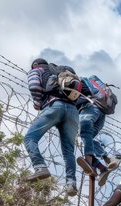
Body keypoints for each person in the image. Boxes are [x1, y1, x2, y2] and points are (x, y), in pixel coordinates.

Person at [24, 58, 81, 196]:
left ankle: (40, 167)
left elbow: (34, 86)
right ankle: (71, 183)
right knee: (68, 150)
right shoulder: (62, 73)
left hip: (54, 107)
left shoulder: (37, 70)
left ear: (36, 65)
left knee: (30, 138)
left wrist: (37, 101)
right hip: (73, 111)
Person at [76, 76, 120, 186]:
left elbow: (80, 97)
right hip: (102, 114)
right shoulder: (94, 83)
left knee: (85, 133)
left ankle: (89, 162)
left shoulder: (78, 83)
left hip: (91, 107)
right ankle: (104, 165)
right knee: (88, 140)